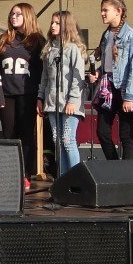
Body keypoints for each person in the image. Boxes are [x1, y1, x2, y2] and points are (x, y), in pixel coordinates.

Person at [86, 0, 133, 161]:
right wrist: (98, 73)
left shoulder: (131, 36)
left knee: (125, 134)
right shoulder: (106, 35)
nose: (102, 13)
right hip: (108, 88)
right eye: (102, 10)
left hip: (125, 88)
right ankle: (114, 165)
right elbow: (108, 64)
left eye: (106, 10)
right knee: (102, 131)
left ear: (118, 11)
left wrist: (129, 97)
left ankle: (126, 170)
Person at [0, 2, 45, 187]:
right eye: (12, 14)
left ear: (27, 16)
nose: (13, 17)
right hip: (7, 95)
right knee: (9, 134)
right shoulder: (3, 40)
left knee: (26, 134)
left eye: (18, 14)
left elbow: (42, 72)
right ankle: (12, 172)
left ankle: (26, 174)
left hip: (28, 94)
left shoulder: (37, 41)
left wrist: (40, 97)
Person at [37, 10, 87, 176]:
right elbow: (45, 77)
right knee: (57, 140)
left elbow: (78, 77)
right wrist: (40, 97)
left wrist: (73, 99)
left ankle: (76, 177)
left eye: (57, 23)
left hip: (70, 103)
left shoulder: (73, 49)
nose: (53, 26)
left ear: (66, 26)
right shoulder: (50, 49)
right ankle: (63, 178)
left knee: (68, 140)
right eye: (52, 22)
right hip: (52, 102)